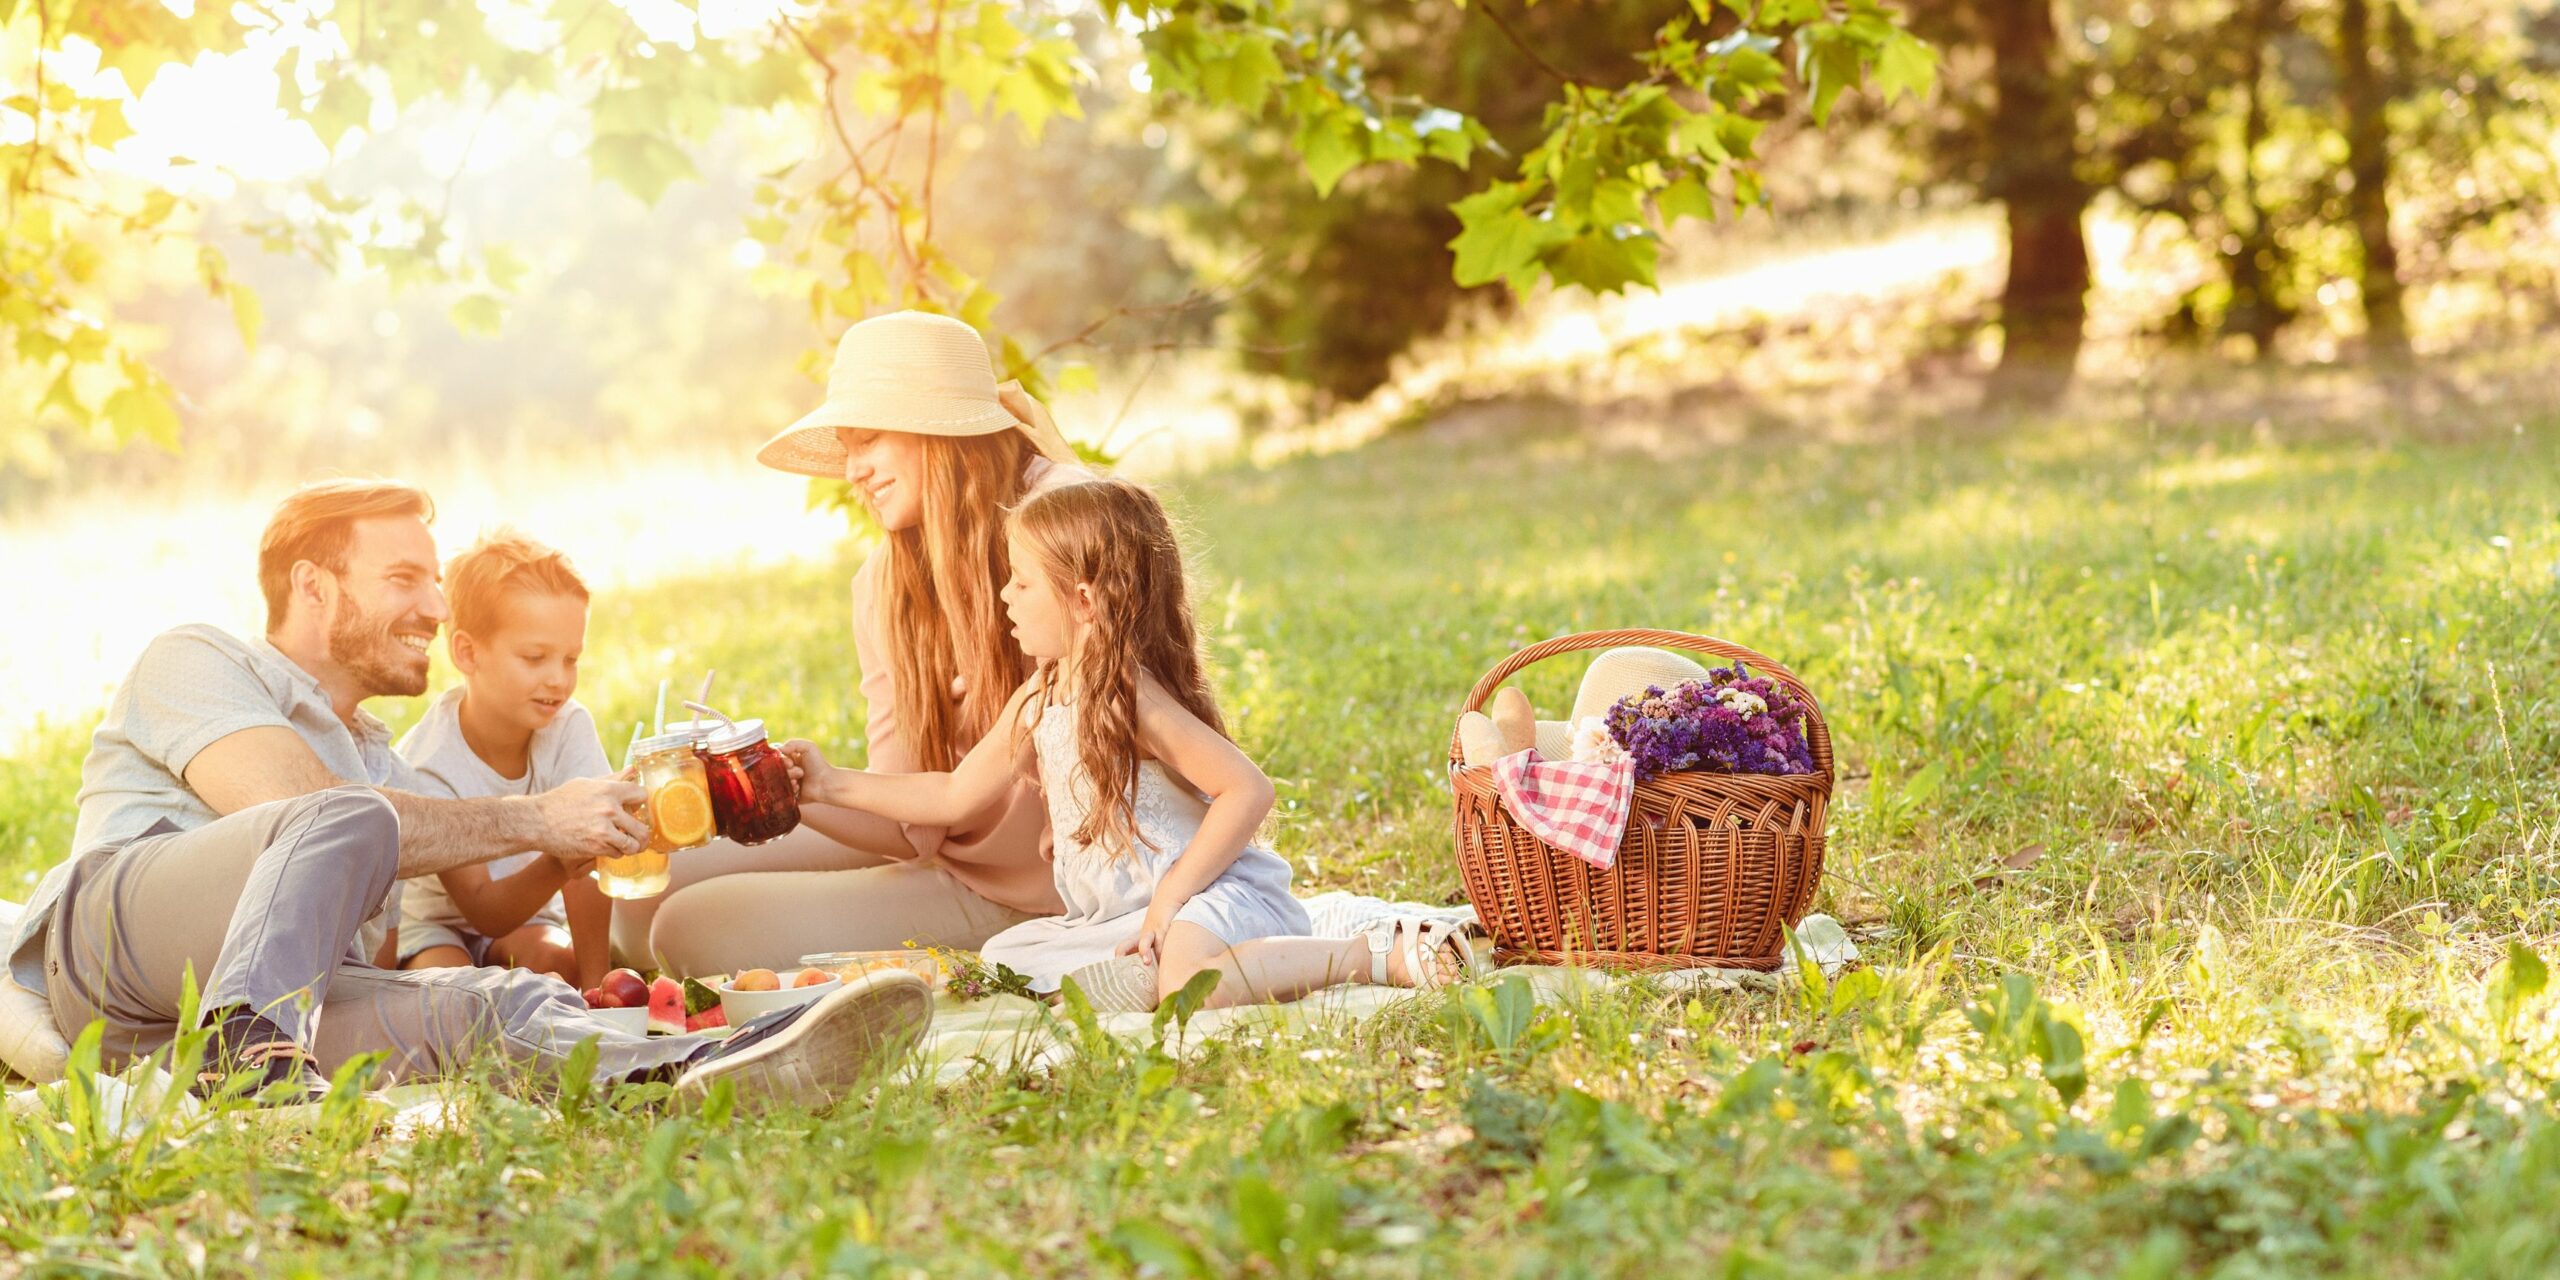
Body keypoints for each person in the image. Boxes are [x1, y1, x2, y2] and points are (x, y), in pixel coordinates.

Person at [5, 479, 928, 1109]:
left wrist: (580, 846)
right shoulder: (196, 659)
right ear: (313, 588)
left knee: (495, 1005)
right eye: (405, 578)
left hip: (214, 1029)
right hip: (108, 951)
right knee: (346, 813)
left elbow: (437, 896)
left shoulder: (385, 765)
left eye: (435, 582)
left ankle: (717, 1066)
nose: (439, 611)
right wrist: (538, 816)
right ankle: (260, 1063)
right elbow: (286, 808)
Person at [784, 478, 1472, 1010]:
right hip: (1128, 913)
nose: (1004, 595)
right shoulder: (1041, 695)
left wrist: (1175, 895)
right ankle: (1182, 960)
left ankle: (1361, 955)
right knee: (1012, 958)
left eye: (1022, 582)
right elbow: (952, 792)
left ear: (1083, 601)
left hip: (1208, 891)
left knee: (1187, 984)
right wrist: (826, 783)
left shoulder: (1130, 697)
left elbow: (1248, 789)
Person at [629, 310, 1092, 976]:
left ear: (934, 427)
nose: (853, 470)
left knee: (689, 929)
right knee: (650, 890)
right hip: (945, 847)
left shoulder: (1068, 517)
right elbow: (907, 823)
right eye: (847, 447)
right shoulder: (886, 582)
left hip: (1048, 889)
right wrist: (796, 787)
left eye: (868, 440)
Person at [393, 530, 611, 990]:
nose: (558, 679)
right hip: (437, 924)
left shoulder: (568, 728)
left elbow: (588, 870)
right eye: (535, 658)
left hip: (529, 915)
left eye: (571, 658)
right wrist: (559, 859)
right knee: (455, 995)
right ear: (467, 653)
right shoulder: (427, 764)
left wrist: (599, 989)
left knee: (561, 970)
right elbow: (483, 909)